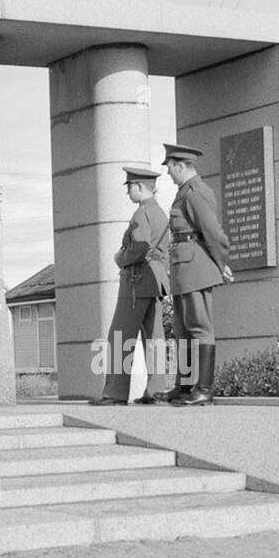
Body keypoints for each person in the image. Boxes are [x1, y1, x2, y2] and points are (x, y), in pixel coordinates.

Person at [157, 142, 234, 407]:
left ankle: (203, 389)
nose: (168, 173)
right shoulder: (183, 193)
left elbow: (213, 233)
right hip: (183, 270)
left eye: (169, 168)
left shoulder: (196, 192)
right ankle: (184, 386)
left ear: (180, 166)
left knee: (199, 328)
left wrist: (220, 262)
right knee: (183, 329)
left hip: (195, 268)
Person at [89, 167, 171, 406]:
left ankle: (114, 394)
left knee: (119, 337)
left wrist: (119, 258)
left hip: (136, 281)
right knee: (154, 338)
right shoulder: (160, 213)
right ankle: (155, 391)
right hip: (155, 281)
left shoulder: (141, 213)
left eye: (129, 188)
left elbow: (140, 247)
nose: (127, 193)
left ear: (138, 187)